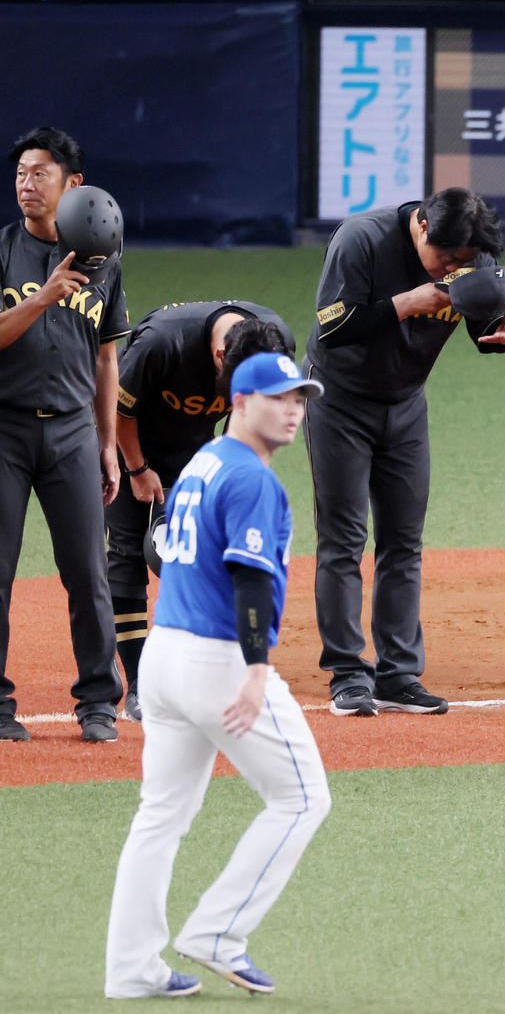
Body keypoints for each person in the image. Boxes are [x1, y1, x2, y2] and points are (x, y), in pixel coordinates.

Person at [104, 352, 331, 999]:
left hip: (163, 658)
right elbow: (250, 579)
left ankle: (131, 968)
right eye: (278, 397)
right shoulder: (251, 479)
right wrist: (257, 669)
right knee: (303, 798)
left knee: (161, 815)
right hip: (217, 659)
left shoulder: (202, 463)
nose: (292, 410)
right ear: (241, 402)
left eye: (299, 399)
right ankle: (218, 933)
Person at [303, 187, 505, 718]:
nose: (452, 269)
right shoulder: (362, 239)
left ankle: (398, 674)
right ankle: (348, 674)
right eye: (446, 258)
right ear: (422, 225)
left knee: (403, 541)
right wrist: (406, 303)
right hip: (340, 401)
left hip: (405, 405)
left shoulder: (471, 252)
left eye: (464, 262)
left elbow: (483, 330)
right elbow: (332, 326)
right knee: (344, 539)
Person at [0, 126, 129, 743]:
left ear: (73, 184)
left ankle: (99, 701)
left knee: (87, 572)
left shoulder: (104, 255)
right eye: (20, 173)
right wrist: (42, 298)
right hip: (5, 430)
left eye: (40, 173)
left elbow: (107, 358)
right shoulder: (3, 250)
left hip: (74, 432)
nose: (26, 184)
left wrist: (108, 443)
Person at [110, 306, 293, 722]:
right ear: (219, 356)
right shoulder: (162, 343)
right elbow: (119, 410)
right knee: (126, 555)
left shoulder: (273, 341)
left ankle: (204, 670)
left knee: (205, 556)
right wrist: (137, 470)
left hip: (196, 451)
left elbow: (255, 412)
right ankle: (140, 685)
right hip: (127, 444)